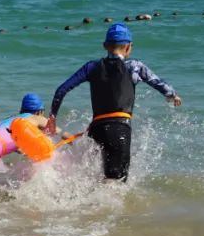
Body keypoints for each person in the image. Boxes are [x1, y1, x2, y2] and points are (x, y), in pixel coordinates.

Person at [45, 23, 180, 181]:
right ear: (129, 47)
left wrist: (52, 117)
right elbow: (158, 83)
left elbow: (62, 89)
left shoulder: (91, 67)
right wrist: (172, 95)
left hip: (96, 130)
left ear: (105, 46)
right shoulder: (134, 67)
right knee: (117, 183)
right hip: (119, 129)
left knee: (99, 179)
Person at [0, 92, 59, 170]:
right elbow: (60, 132)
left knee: (9, 169)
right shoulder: (36, 118)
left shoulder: (11, 120)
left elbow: (16, 146)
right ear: (40, 112)